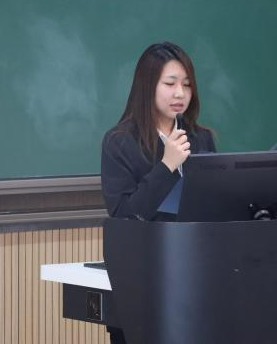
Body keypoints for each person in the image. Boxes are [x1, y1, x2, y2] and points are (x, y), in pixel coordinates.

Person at [101, 41, 215, 343]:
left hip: (198, 276)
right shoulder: (119, 142)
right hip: (143, 279)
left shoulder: (201, 138)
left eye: (187, 85)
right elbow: (125, 215)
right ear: (147, 85)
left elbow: (215, 206)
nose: (180, 93)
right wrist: (167, 166)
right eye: (170, 83)